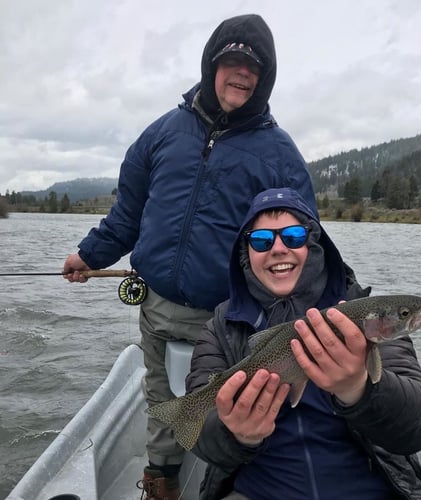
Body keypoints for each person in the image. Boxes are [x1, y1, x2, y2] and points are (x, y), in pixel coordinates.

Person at [63, 14, 321, 500]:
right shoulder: (161, 133)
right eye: (233, 61)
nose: (242, 73)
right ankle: (161, 478)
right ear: (212, 65)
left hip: (234, 318)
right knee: (162, 397)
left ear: (266, 79)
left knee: (236, 402)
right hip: (159, 308)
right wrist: (89, 255)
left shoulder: (279, 153)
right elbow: (128, 213)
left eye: (254, 67)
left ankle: (230, 481)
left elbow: (303, 241)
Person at [185, 187, 421, 500]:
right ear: (246, 253)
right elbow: (197, 430)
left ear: (313, 244)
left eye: (292, 236)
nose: (278, 249)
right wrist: (236, 434)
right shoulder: (221, 328)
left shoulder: (357, 308)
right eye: (262, 241)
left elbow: (420, 426)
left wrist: (359, 388)